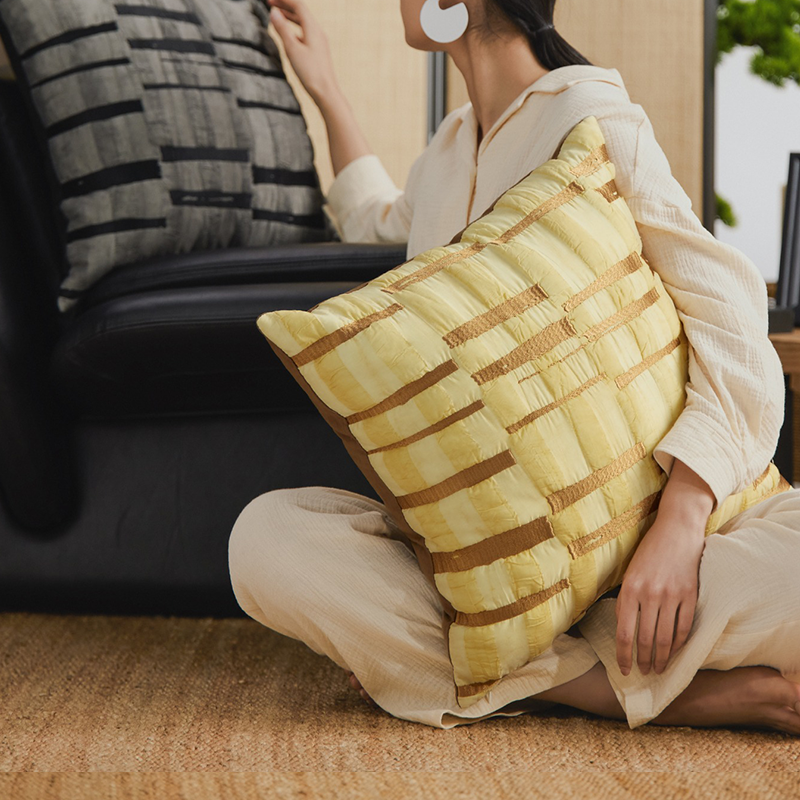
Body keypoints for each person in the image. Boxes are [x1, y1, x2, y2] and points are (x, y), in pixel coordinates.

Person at [228, 0, 800, 733]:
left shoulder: (591, 117)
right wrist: (327, 89)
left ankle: (505, 669)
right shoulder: (449, 148)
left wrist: (680, 527)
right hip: (500, 565)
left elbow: (735, 320)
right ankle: (628, 691)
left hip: (670, 543)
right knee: (266, 541)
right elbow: (374, 218)